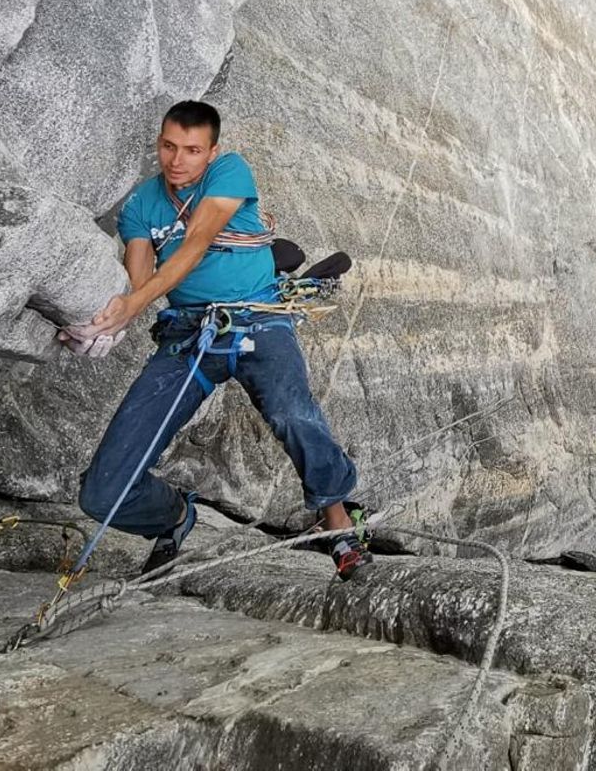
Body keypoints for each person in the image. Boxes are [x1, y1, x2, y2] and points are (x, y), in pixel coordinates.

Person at [63, 100, 372, 580]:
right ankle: (174, 517)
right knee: (101, 494)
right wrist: (99, 325)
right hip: (188, 335)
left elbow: (197, 241)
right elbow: (138, 283)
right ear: (159, 143)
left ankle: (337, 519)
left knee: (292, 412)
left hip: (258, 320)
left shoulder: (229, 171)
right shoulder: (141, 206)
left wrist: (133, 304)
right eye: (169, 147)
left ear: (211, 152)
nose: (177, 160)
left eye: (192, 150)